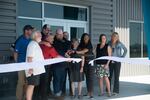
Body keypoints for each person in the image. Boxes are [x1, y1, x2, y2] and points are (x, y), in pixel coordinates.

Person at [39, 33, 61, 100]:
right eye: (52, 38)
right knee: (45, 83)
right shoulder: (48, 46)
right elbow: (56, 56)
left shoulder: (40, 44)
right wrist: (67, 59)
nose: (53, 40)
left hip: (39, 66)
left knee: (41, 83)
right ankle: (44, 98)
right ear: (47, 38)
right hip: (45, 67)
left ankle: (40, 97)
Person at [14, 25, 33, 100]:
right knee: (21, 82)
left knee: (27, 82)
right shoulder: (20, 40)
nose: (31, 31)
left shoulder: (31, 40)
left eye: (31, 30)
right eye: (30, 30)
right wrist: (17, 64)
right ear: (26, 31)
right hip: (21, 64)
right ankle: (19, 98)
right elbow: (15, 53)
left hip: (29, 64)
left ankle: (26, 97)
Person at [25, 30, 45, 100]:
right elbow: (29, 57)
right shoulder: (32, 44)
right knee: (31, 86)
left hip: (35, 70)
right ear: (35, 36)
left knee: (32, 86)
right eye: (40, 35)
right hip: (32, 70)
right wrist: (30, 68)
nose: (41, 37)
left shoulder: (35, 44)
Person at [76, 33, 95, 99]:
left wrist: (78, 52)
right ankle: (88, 92)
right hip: (84, 63)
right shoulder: (81, 44)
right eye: (85, 37)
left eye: (87, 37)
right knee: (87, 78)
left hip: (90, 62)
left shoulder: (89, 44)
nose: (86, 38)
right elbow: (78, 50)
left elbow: (84, 51)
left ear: (89, 38)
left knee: (91, 78)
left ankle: (91, 94)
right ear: (83, 38)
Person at [53, 28, 71, 97]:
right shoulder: (54, 41)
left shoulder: (65, 40)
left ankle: (61, 92)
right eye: (59, 34)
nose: (60, 36)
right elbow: (55, 51)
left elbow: (68, 45)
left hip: (64, 64)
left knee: (63, 79)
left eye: (61, 34)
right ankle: (57, 92)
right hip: (56, 64)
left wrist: (69, 50)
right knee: (57, 78)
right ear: (56, 34)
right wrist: (64, 53)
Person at [62, 31, 72, 96]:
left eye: (67, 35)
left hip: (70, 63)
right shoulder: (61, 42)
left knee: (71, 78)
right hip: (63, 63)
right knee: (63, 78)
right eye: (64, 35)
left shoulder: (70, 42)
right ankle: (63, 92)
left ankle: (72, 91)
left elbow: (73, 50)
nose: (66, 36)